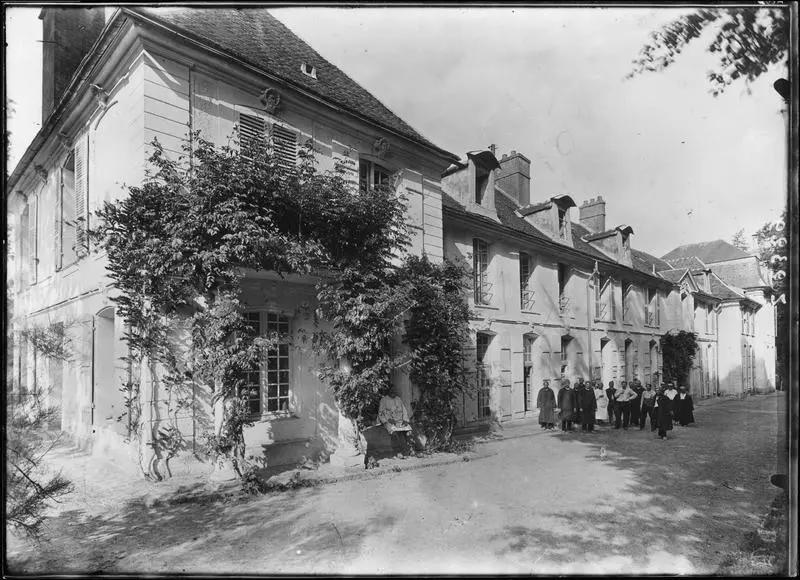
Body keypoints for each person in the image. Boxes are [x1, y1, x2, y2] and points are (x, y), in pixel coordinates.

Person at [378, 387, 413, 457]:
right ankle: (398, 452)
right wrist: (386, 420)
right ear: (388, 391)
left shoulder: (398, 399)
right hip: (389, 421)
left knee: (409, 432)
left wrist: (405, 420)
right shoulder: (384, 400)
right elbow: (380, 413)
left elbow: (404, 411)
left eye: (394, 391)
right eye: (391, 391)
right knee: (395, 433)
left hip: (400, 421)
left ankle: (409, 450)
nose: (393, 392)